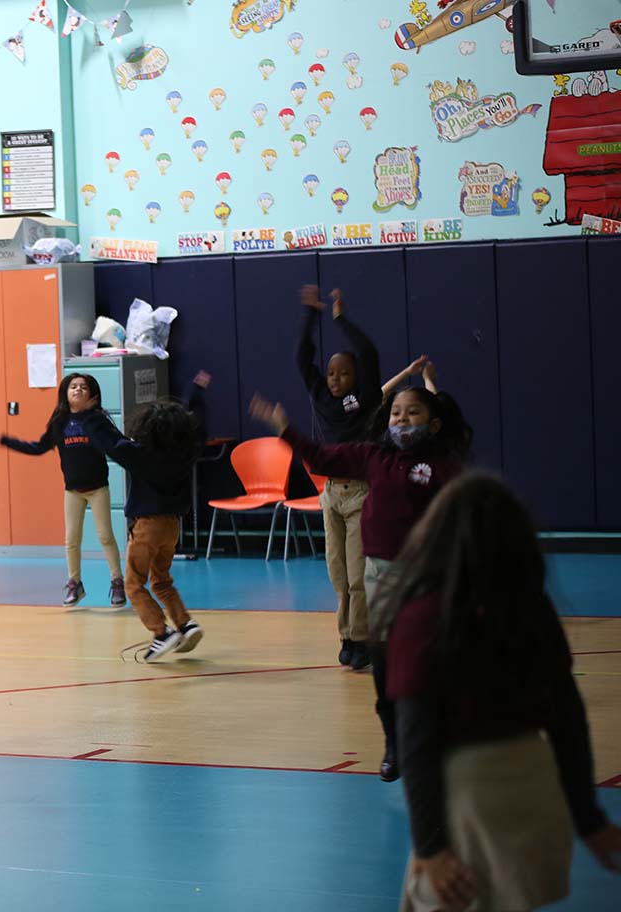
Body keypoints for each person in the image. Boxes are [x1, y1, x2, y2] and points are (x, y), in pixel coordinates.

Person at [378, 473, 621, 910]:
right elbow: (568, 719)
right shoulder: (530, 605)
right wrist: (589, 817)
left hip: (468, 793)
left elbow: (416, 743)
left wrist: (430, 847)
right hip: (533, 780)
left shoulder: (422, 618)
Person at [248, 384, 471, 781]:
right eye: (396, 413)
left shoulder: (444, 467)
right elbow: (319, 457)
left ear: (434, 424)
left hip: (427, 576)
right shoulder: (373, 456)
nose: (401, 419)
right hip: (380, 575)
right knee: (385, 668)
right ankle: (394, 744)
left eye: (412, 413)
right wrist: (285, 428)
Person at [294, 285, 382, 672]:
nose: (334, 378)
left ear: (356, 377)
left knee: (358, 573)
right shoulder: (321, 397)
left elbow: (369, 353)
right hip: (330, 495)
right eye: (331, 372)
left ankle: (362, 639)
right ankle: (346, 636)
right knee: (338, 573)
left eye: (343, 373)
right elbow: (302, 358)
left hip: (360, 493)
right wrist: (310, 315)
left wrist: (340, 319)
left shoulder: (364, 399)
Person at [81, 398, 203, 661]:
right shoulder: (183, 456)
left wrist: (92, 416)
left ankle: (161, 633)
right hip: (172, 526)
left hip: (147, 525)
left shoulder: (141, 455)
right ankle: (186, 624)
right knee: (161, 581)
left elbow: (113, 444)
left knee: (134, 584)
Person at [0, 372, 125, 608]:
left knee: (105, 536)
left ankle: (117, 581)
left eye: (84, 387)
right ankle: (75, 583)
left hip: (97, 488)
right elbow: (38, 447)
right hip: (73, 490)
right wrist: (7, 441)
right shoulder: (60, 423)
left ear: (92, 395)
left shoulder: (97, 420)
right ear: (65, 393)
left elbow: (117, 443)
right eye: (73, 386)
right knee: (71, 540)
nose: (78, 390)